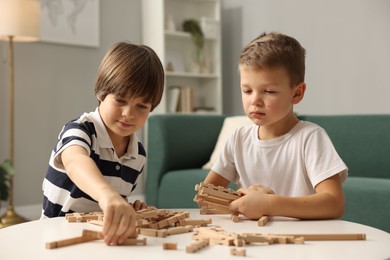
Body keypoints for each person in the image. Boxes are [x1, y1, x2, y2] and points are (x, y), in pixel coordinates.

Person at [203, 32, 348, 220]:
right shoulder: (238, 138)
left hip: (302, 244)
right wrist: (246, 199)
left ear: (296, 93)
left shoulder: (310, 137)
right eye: (246, 90)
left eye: (269, 91)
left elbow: (334, 203)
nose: (254, 100)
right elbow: (205, 198)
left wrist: (269, 204)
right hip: (254, 241)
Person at [41, 42, 164, 245]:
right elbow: (75, 162)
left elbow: (109, 204)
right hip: (56, 236)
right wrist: (107, 195)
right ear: (101, 93)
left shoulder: (138, 155)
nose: (128, 114)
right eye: (120, 100)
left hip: (98, 240)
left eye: (141, 106)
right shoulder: (80, 130)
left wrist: (126, 208)